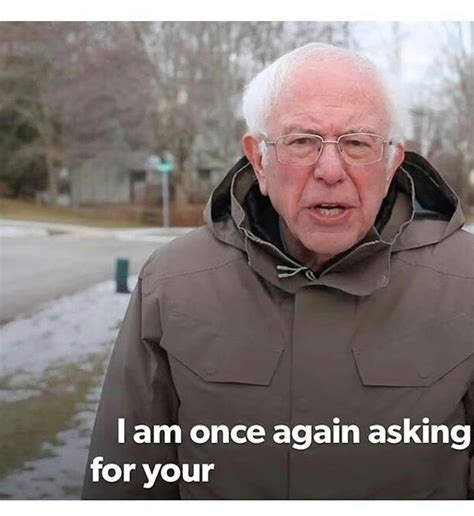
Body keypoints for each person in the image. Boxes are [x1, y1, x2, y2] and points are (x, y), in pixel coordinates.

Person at [82, 43, 474, 500]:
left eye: (357, 143)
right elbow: (125, 477)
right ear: (259, 160)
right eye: (302, 141)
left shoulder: (465, 283)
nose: (331, 170)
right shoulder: (173, 283)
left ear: (391, 165)